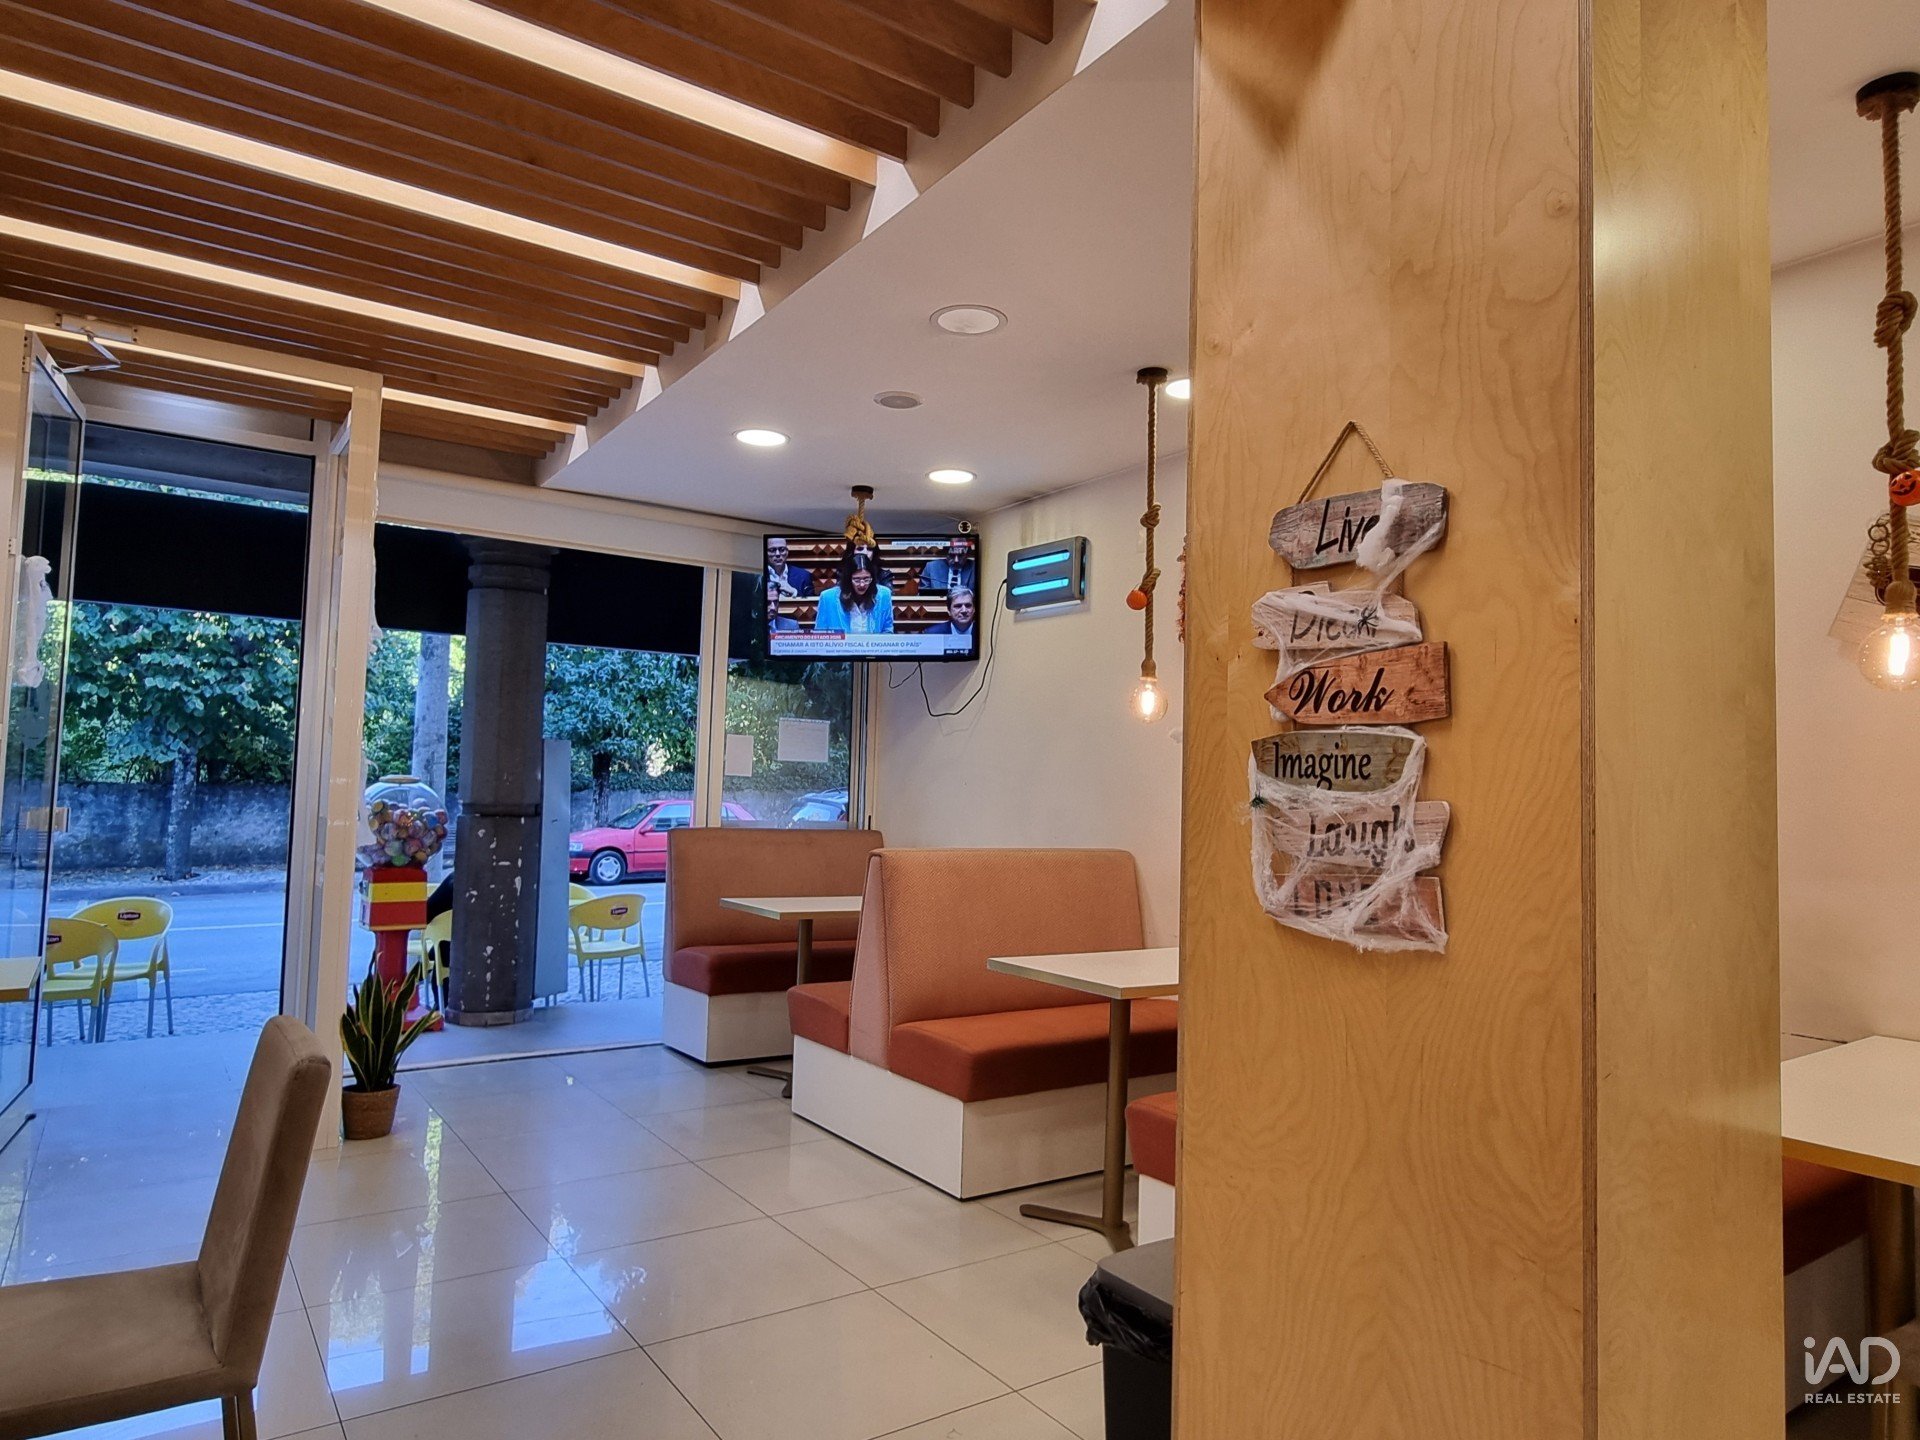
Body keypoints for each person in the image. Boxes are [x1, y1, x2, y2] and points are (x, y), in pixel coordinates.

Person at [813, 551, 894, 634]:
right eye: (857, 580)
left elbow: (887, 631)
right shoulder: (828, 598)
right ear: (848, 579)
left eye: (866, 579)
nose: (862, 584)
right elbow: (820, 634)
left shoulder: (884, 595)